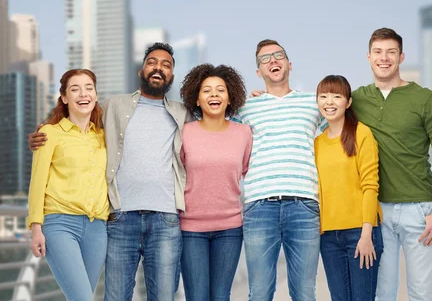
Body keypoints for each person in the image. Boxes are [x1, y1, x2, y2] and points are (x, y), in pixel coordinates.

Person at [28, 43, 190, 301]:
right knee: (107, 296)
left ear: (171, 75)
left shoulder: (183, 113)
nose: (158, 67)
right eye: (152, 62)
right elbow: (75, 117)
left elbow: (215, 122)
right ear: (141, 70)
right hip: (118, 219)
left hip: (157, 220)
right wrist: (42, 132)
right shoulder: (114, 106)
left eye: (166, 65)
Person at [351, 28, 432, 301]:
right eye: (378, 52)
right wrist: (263, 97)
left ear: (401, 57)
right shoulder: (357, 99)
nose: (384, 58)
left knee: (420, 294)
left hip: (419, 212)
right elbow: (326, 109)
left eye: (391, 52)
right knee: (382, 294)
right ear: (368, 57)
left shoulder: (424, 98)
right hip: (377, 213)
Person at [237, 39, 324, 301]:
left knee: (305, 292)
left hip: (305, 205)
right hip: (259, 206)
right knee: (260, 292)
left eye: (278, 56)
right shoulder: (245, 108)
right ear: (258, 72)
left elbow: (336, 137)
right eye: (265, 59)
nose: (273, 61)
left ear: (289, 64)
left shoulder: (314, 103)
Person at [26, 69, 109, 301]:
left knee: (80, 297)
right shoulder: (49, 134)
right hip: (60, 225)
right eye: (75, 89)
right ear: (64, 97)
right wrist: (35, 228)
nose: (83, 94)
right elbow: (37, 182)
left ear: (95, 94)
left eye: (89, 88)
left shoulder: (104, 136)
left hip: (98, 229)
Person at [178, 64, 252, 301]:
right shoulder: (184, 133)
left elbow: (247, 171)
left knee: (221, 296)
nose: (214, 95)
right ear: (197, 100)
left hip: (230, 229)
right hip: (190, 229)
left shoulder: (244, 133)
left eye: (220, 90)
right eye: (207, 90)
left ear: (230, 98)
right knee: (197, 297)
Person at [315, 75, 383, 301]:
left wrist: (366, 236)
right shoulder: (317, 143)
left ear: (348, 102)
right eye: (323, 96)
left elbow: (371, 186)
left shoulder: (361, 133)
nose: (329, 102)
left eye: (336, 96)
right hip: (329, 237)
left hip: (360, 232)